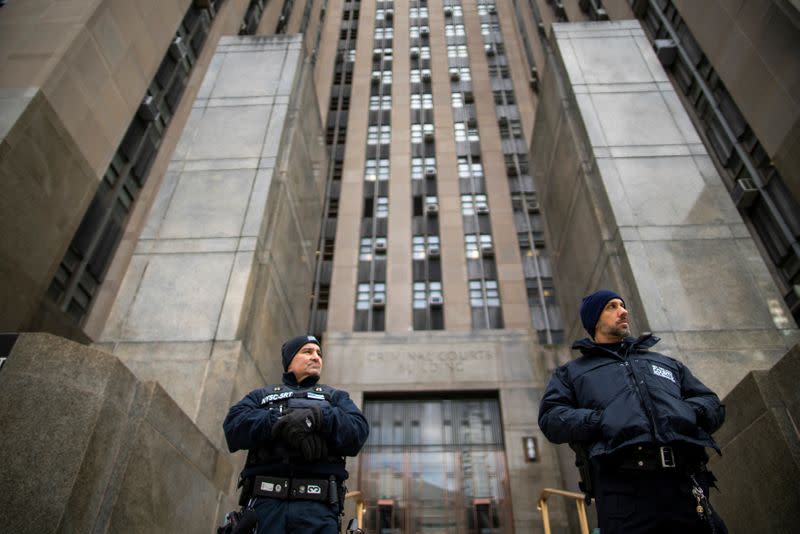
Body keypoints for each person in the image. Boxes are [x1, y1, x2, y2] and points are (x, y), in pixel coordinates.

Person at [538, 290, 727, 534]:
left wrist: (687, 412)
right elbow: (551, 418)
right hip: (623, 493)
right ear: (595, 319)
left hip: (685, 484)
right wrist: (601, 420)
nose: (623, 311)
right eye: (612, 307)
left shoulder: (664, 363)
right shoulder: (571, 373)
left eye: (623, 305)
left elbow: (710, 401)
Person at [223, 335, 369, 533]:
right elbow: (233, 427)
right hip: (265, 508)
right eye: (307, 352)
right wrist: (279, 421)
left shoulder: (335, 397)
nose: (316, 357)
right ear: (290, 360)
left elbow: (358, 431)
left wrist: (318, 417)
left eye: (319, 353)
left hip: (319, 511)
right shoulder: (262, 396)